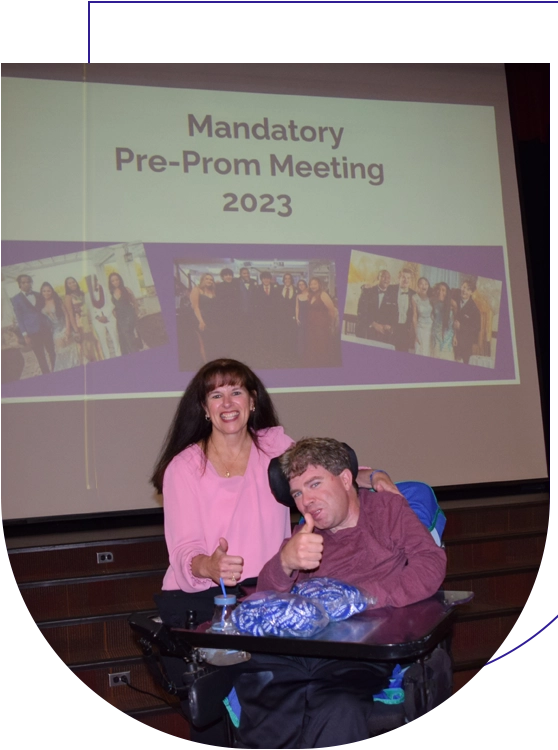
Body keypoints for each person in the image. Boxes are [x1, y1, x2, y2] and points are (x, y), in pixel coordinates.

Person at [232, 437, 447, 750]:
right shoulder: (306, 534)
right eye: (298, 493)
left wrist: (365, 596)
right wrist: (284, 562)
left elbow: (430, 563)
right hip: (299, 649)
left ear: (346, 479)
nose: (306, 501)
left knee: (337, 706)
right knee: (266, 695)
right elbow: (268, 597)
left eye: (315, 484)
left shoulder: (386, 510)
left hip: (357, 649)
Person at [151, 360, 397, 597]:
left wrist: (372, 475)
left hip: (271, 589)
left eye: (236, 392)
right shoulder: (183, 468)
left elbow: (325, 473)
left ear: (252, 401)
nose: (227, 404)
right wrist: (209, 567)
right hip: (208, 597)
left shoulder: (275, 446)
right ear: (205, 408)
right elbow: (184, 550)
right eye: (216, 396)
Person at [10, 274, 56, 374]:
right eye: (23, 282)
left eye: (28, 281)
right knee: (40, 357)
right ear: (19, 284)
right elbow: (19, 318)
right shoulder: (16, 299)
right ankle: (47, 376)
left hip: (45, 329)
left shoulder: (38, 294)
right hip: (32, 333)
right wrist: (25, 335)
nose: (26, 284)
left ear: (31, 282)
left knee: (52, 352)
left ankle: (56, 370)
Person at [39, 282, 82, 371]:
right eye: (44, 291)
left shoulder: (57, 301)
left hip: (64, 327)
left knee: (72, 351)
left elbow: (66, 315)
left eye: (49, 291)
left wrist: (68, 330)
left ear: (52, 291)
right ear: (41, 292)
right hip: (55, 331)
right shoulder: (40, 303)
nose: (46, 293)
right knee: (61, 353)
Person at [63, 276, 103, 363]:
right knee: (86, 346)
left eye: (73, 282)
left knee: (94, 342)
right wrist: (76, 330)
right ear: (66, 286)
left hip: (88, 322)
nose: (72, 284)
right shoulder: (68, 297)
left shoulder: (81, 293)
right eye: (69, 283)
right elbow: (70, 314)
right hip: (79, 323)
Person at [302, 277, 339, 367]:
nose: (313, 286)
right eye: (311, 284)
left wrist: (331, 324)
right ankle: (314, 364)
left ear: (319, 284)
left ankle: (321, 365)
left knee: (321, 345)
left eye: (315, 284)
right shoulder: (310, 295)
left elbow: (331, 310)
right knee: (313, 344)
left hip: (322, 325)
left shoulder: (323, 294)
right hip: (311, 324)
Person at [354, 269, 396, 344]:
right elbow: (361, 311)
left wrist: (390, 326)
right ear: (378, 278)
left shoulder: (392, 296)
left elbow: (394, 314)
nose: (386, 279)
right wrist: (373, 324)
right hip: (367, 332)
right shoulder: (367, 291)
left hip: (383, 335)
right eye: (383, 276)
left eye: (388, 277)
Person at [109, 272, 142, 356]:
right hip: (120, 318)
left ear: (120, 280)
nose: (115, 282)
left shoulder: (126, 289)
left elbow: (134, 302)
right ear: (110, 282)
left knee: (129, 336)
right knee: (124, 339)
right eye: (113, 281)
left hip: (129, 315)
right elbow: (112, 305)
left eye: (117, 279)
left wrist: (137, 314)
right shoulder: (111, 292)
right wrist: (113, 311)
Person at [189, 273, 217, 362]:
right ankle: (206, 363)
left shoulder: (213, 291)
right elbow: (195, 307)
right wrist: (201, 321)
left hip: (212, 320)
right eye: (207, 279)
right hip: (200, 319)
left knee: (212, 342)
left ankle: (213, 361)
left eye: (211, 279)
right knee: (203, 343)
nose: (209, 281)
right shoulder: (196, 290)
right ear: (202, 280)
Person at [453, 279, 481, 364]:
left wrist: (461, 327)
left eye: (468, 289)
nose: (464, 290)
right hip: (449, 339)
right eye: (464, 287)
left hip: (464, 345)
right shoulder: (454, 298)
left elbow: (476, 329)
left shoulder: (474, 309)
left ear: (472, 292)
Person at [431, 281, 457, 361]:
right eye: (439, 289)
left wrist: (455, 336)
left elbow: (455, 321)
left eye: (443, 290)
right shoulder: (433, 301)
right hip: (436, 336)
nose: (440, 292)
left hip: (448, 337)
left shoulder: (452, 303)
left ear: (447, 292)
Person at [391, 269, 416, 352]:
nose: (406, 280)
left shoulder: (414, 294)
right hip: (392, 328)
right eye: (403, 277)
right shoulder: (391, 289)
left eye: (408, 278)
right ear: (399, 278)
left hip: (405, 330)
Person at [412, 276, 434, 357]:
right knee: (420, 351)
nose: (424, 286)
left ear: (428, 286)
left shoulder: (431, 298)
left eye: (426, 284)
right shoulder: (415, 297)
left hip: (431, 329)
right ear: (418, 285)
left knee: (429, 352)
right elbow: (414, 316)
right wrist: (416, 333)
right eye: (421, 284)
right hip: (420, 328)